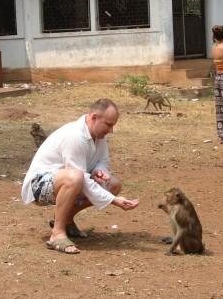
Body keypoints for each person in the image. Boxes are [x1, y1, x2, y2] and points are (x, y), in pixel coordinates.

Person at [21, 98, 140, 254]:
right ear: (94, 118)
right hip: (39, 186)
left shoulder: (99, 135)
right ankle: (57, 234)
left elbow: (102, 161)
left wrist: (99, 170)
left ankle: (67, 220)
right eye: (109, 125)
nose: (111, 130)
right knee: (75, 177)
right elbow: (80, 177)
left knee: (113, 184)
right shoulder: (75, 135)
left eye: (113, 125)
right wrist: (114, 200)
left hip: (69, 181)